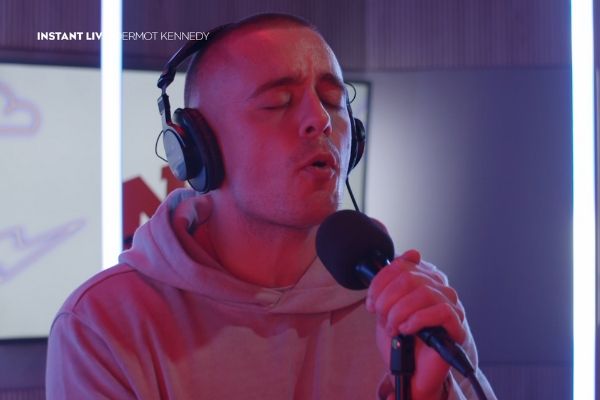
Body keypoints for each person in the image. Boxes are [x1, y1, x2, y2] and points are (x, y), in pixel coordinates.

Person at [46, 13, 496, 400]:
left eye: (333, 101)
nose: (320, 120)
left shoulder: (410, 304)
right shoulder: (102, 324)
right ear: (198, 150)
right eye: (278, 102)